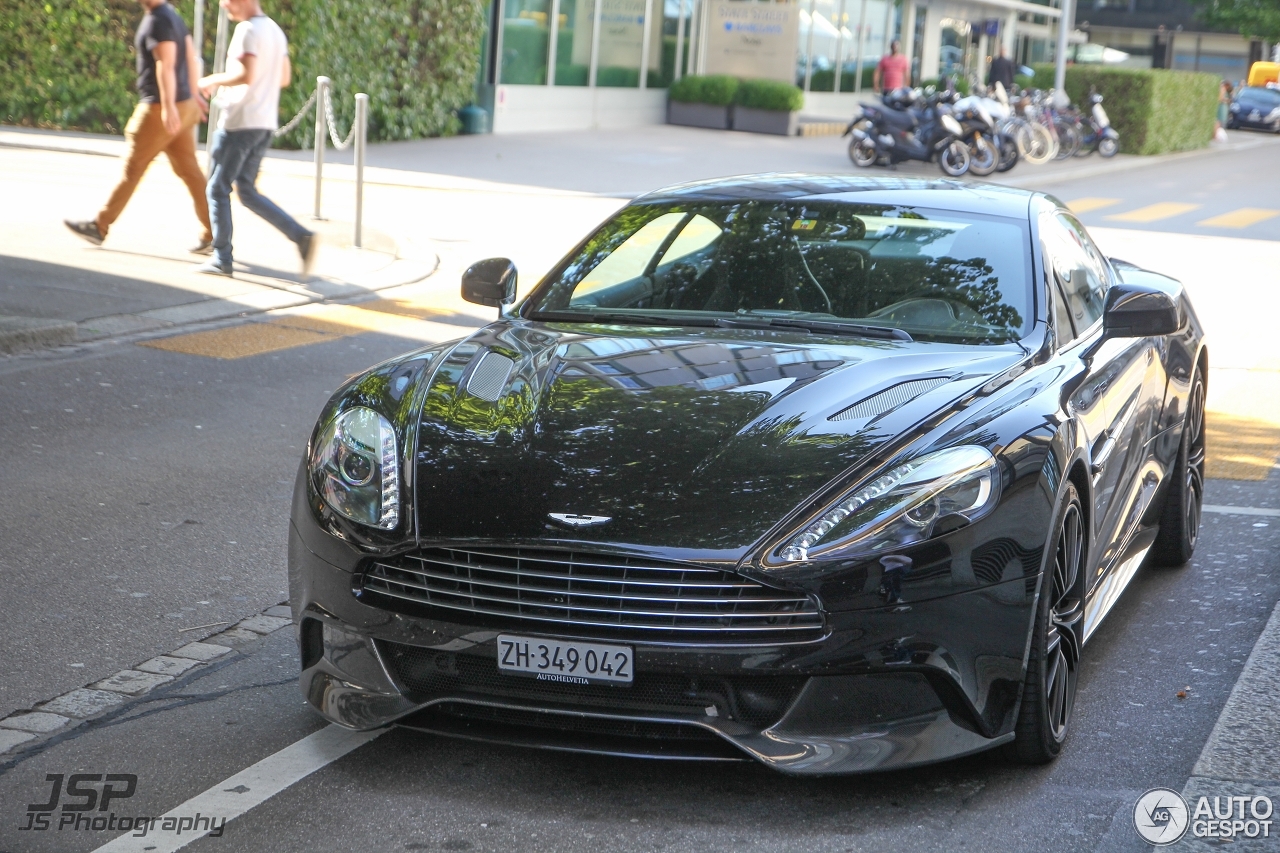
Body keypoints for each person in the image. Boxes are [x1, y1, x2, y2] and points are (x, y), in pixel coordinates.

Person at [64, 0, 213, 253]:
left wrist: (167, 106)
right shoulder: (171, 15)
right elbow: (189, 53)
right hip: (183, 103)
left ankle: (99, 226)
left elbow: (165, 64)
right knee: (191, 172)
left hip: (159, 108)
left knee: (132, 169)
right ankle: (216, 233)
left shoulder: (158, 20)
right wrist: (194, 91)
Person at [194, 0, 316, 277]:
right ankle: (301, 236)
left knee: (216, 188)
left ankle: (222, 257)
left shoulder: (247, 30)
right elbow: (284, 77)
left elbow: (244, 74)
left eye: (229, 1)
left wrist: (211, 80)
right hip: (264, 123)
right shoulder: (275, 30)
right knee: (246, 191)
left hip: (240, 120)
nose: (225, 6)